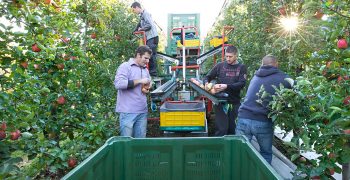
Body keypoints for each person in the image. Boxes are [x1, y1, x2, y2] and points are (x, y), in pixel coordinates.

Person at [236, 55, 292, 164]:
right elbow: (297, 91)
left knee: (239, 151)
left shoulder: (255, 76)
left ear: (262, 64)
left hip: (243, 117)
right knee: (265, 153)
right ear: (276, 64)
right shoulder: (285, 78)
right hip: (263, 120)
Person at [203, 45, 247, 136]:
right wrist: (206, 83)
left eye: (230, 56)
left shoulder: (241, 67)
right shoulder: (220, 66)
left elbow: (242, 84)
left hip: (234, 102)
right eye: (226, 56)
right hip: (221, 102)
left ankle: (231, 148)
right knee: (221, 129)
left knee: (232, 128)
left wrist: (226, 86)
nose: (228, 58)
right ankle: (219, 148)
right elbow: (208, 76)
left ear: (236, 55)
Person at [114, 45, 152, 138]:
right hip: (128, 112)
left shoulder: (145, 70)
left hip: (142, 112)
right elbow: (119, 84)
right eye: (145, 58)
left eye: (148, 59)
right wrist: (139, 81)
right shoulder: (126, 66)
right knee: (127, 143)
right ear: (138, 55)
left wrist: (148, 86)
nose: (147, 61)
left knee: (140, 144)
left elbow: (148, 82)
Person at [131, 2, 159, 77]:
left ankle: (153, 74)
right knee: (148, 53)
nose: (134, 12)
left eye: (134, 10)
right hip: (149, 37)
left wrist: (141, 29)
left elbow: (149, 25)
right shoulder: (142, 15)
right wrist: (134, 31)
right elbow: (139, 24)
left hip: (153, 37)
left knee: (150, 54)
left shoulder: (146, 14)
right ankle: (150, 72)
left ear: (137, 7)